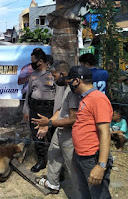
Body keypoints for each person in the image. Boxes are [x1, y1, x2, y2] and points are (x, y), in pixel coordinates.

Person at [32, 61, 80, 197]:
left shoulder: (72, 91)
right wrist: (47, 124)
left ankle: (80, 193)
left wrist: (50, 123)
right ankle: (53, 184)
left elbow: (74, 119)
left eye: (54, 76)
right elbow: (60, 110)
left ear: (62, 74)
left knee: (72, 166)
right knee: (53, 154)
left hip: (69, 134)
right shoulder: (66, 89)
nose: (53, 79)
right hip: (60, 129)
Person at [68, 66, 113, 199]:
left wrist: (101, 165)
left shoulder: (97, 99)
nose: (69, 84)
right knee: (86, 194)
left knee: (99, 196)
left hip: (92, 158)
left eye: (70, 81)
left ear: (77, 81)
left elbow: (105, 132)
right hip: (82, 157)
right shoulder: (85, 98)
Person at [22, 48, 56, 172]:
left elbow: (58, 95)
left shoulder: (52, 75)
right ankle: (41, 160)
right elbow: (28, 94)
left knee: (52, 136)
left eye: (33, 61)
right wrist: (26, 110)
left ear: (40, 61)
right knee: (37, 136)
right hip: (35, 108)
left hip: (49, 110)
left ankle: (56, 164)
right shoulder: (33, 76)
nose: (32, 63)